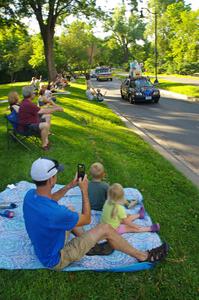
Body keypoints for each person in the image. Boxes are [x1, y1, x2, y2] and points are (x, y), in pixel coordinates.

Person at [23, 158, 169, 271]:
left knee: (70, 210)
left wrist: (69, 186)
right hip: (56, 258)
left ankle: (88, 244)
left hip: (43, 247)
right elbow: (87, 219)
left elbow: (50, 200)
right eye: (56, 175)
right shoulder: (56, 213)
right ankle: (144, 256)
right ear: (50, 179)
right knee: (105, 228)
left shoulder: (30, 195)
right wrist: (84, 190)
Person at [18, 86, 63, 150]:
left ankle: (46, 138)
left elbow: (39, 110)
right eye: (34, 93)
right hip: (26, 127)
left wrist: (52, 108)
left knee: (48, 116)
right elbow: (42, 111)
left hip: (31, 120)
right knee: (45, 125)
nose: (35, 94)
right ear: (30, 94)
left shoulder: (26, 101)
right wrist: (56, 108)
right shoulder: (28, 104)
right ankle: (44, 145)